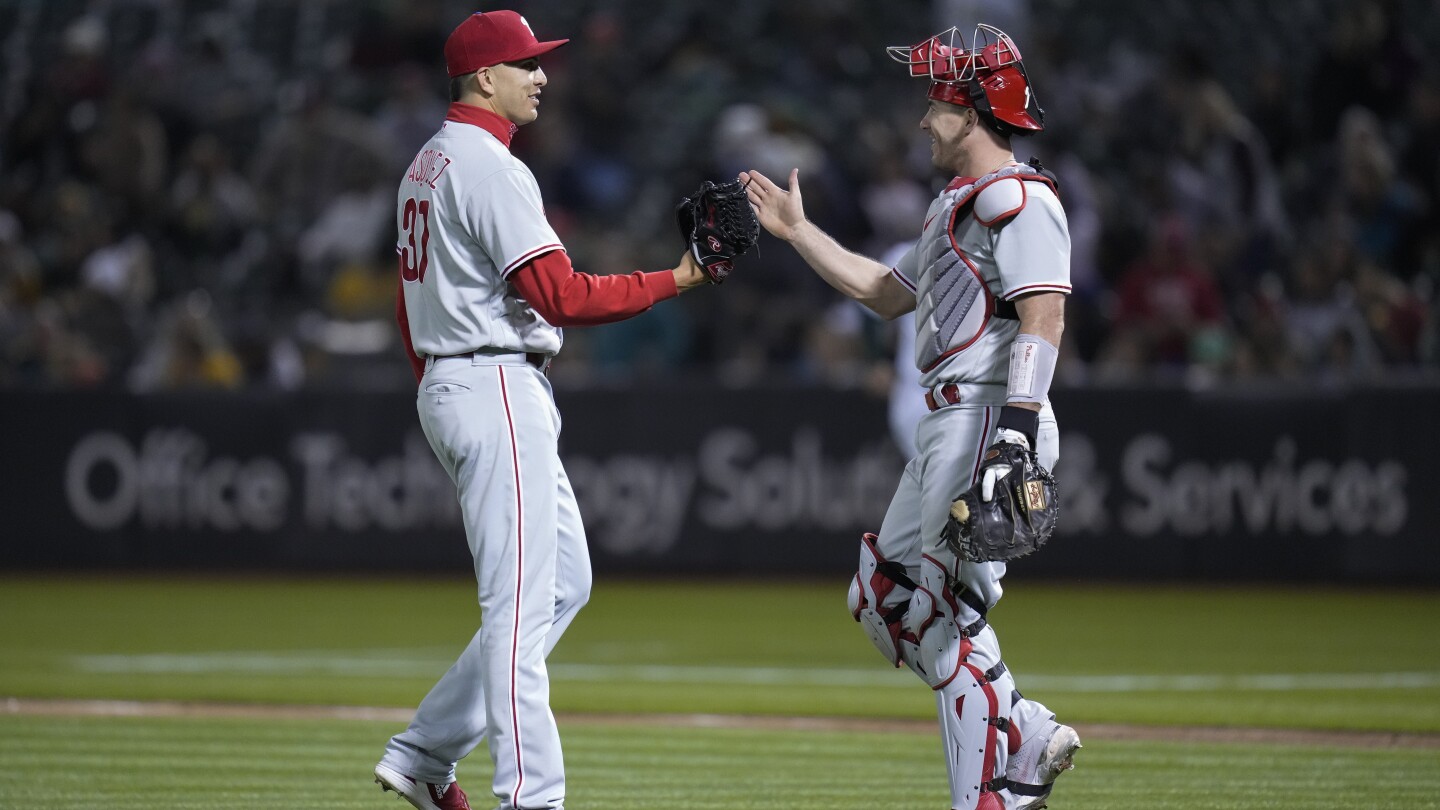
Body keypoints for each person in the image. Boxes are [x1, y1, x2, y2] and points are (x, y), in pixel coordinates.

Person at [374, 11, 711, 810]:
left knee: (563, 583)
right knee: (519, 610)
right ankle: (531, 798)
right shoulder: (489, 167)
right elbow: (560, 296)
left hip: (465, 378)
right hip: (490, 383)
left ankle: (424, 753)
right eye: (525, 63)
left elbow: (405, 303)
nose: (542, 76)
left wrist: (435, 380)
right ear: (483, 77)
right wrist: (678, 280)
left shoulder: (428, 162)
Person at [743, 23, 1080, 810]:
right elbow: (881, 292)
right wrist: (798, 232)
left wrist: (1019, 432)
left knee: (940, 612)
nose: (923, 120)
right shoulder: (955, 205)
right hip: (946, 426)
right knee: (886, 597)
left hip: (987, 418)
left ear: (973, 109)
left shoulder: (1017, 198)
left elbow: (1045, 318)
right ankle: (1022, 727)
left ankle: (988, 796)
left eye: (936, 103)